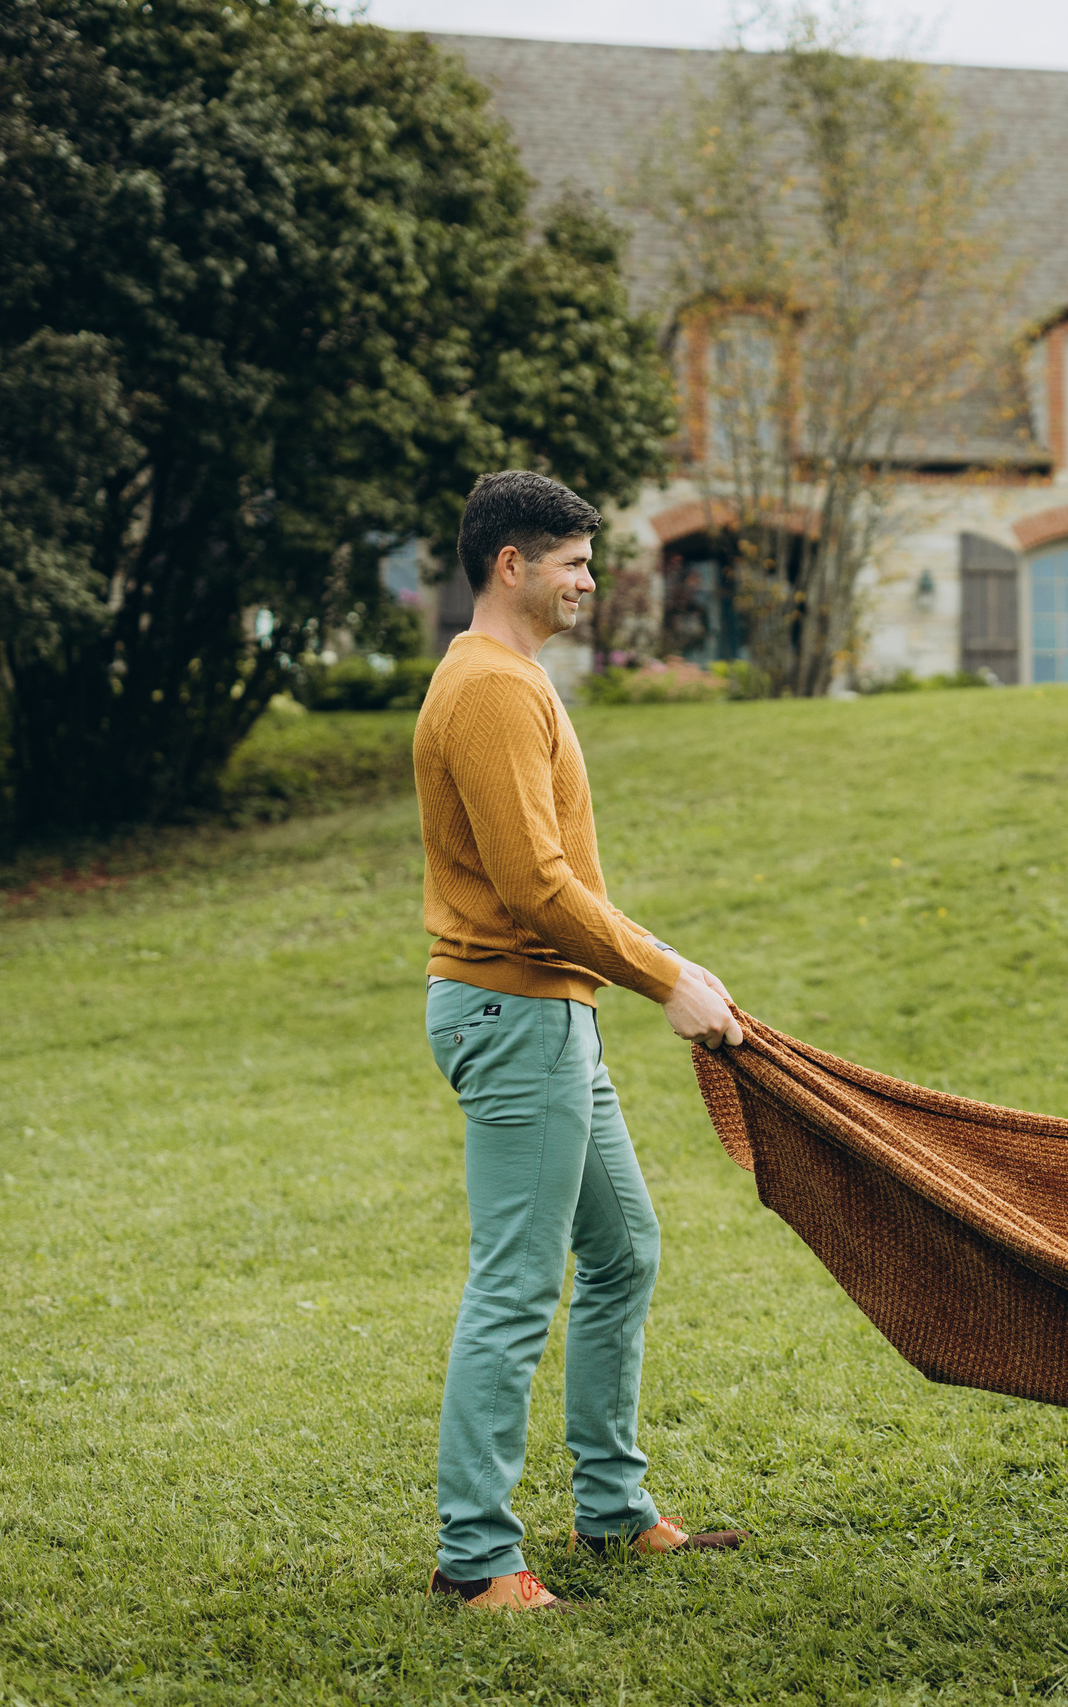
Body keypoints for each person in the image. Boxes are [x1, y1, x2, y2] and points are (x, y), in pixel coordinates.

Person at [414, 471, 749, 1613]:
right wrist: (665, 976)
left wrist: (656, 973)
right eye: (571, 561)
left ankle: (609, 1507)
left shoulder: (510, 682)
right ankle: (476, 1554)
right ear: (511, 564)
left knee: (623, 1252)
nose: (588, 580)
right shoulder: (492, 691)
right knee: (516, 1286)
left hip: (551, 1014)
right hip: (517, 1013)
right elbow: (535, 885)